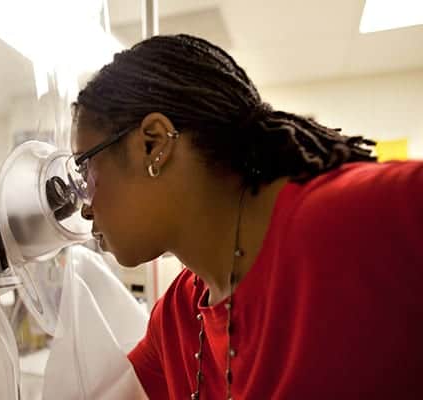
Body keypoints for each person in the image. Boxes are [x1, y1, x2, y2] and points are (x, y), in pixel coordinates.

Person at [67, 34, 423, 399]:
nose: (85, 205)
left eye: (85, 169)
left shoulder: (360, 219)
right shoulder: (177, 318)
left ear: (153, 144)